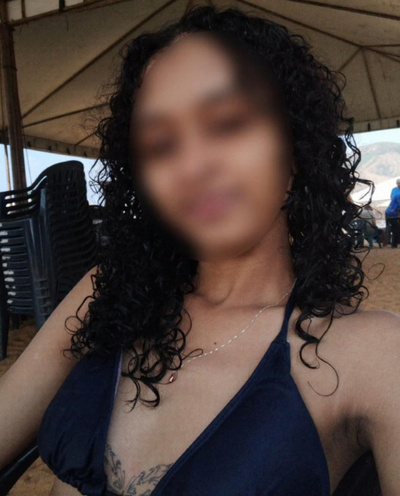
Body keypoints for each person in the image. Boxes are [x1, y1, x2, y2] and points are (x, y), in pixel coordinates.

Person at [1, 6, 400, 496]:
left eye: (227, 123)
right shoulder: (105, 293)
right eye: (160, 145)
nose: (191, 166)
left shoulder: (372, 353)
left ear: (294, 153)